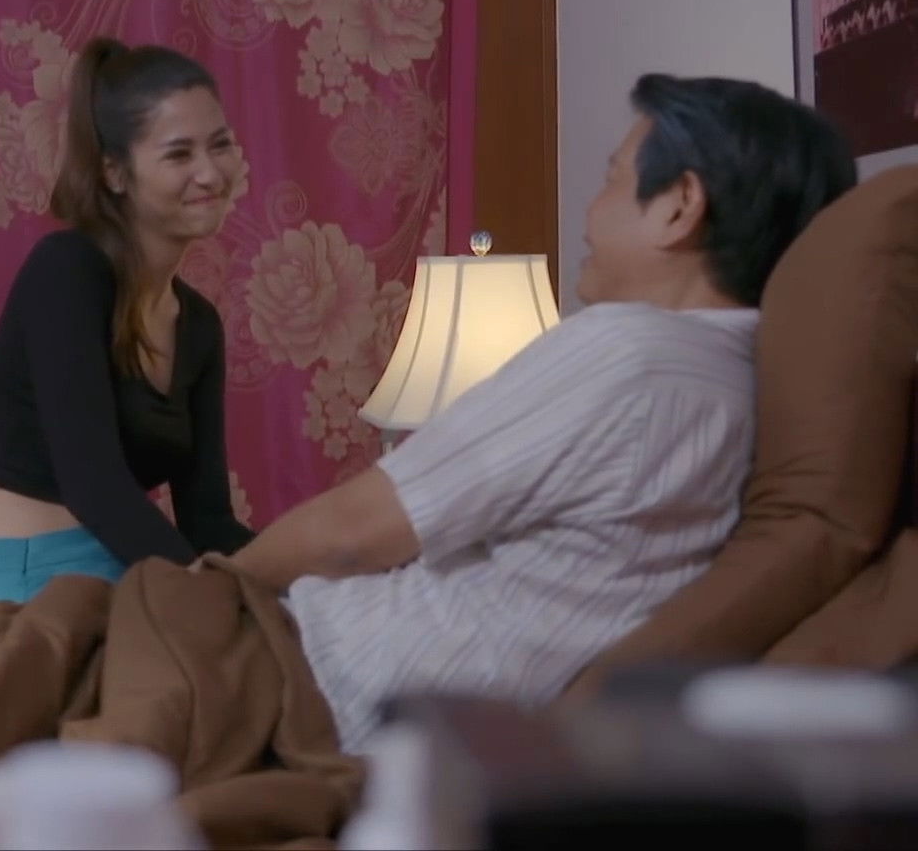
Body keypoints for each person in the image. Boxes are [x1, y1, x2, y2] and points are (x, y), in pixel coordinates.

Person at [226, 73, 859, 750]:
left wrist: (214, 593)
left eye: (612, 179)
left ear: (679, 206)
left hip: (318, 677)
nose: (591, 210)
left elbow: (351, 535)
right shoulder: (755, 384)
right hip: (414, 705)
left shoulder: (625, 351)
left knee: (156, 601)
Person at [0, 38, 257, 603]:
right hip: (34, 584)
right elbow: (94, 486)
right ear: (116, 173)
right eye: (179, 155)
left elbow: (208, 521)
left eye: (220, 145)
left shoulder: (199, 325)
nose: (210, 173)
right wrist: (214, 592)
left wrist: (306, 574)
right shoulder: (67, 271)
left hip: (134, 567)